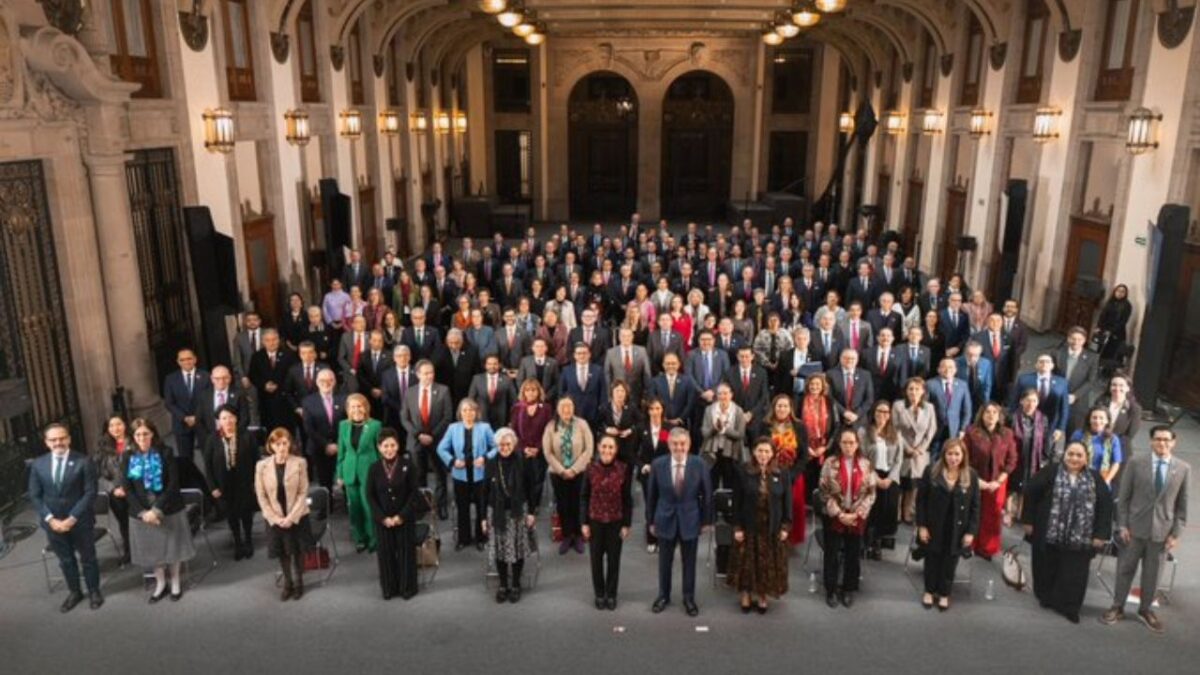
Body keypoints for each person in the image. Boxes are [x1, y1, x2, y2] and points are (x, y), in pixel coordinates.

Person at [1101, 426, 1190, 633]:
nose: (1162, 443)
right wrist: (1122, 524)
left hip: (1162, 533)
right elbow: (1123, 498)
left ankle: (1145, 609)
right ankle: (1117, 606)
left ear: (1173, 442)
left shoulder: (1183, 468)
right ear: (1151, 441)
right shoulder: (1135, 463)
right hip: (1132, 530)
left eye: (1167, 440)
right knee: (1125, 570)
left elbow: (1182, 506)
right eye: (1158, 439)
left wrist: (1176, 533)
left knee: (1153, 574)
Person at [1022, 441, 1113, 623]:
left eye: (1079, 455)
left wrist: (1100, 535)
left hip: (1080, 538)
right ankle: (1046, 598)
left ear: (1086, 458)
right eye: (1070, 454)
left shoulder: (1095, 478)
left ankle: (1070, 607)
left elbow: (1105, 507)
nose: (1074, 458)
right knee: (1046, 567)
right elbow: (1031, 494)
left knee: (1075, 574)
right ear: (1064, 455)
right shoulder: (1050, 472)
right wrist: (1028, 521)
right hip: (1049, 532)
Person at [29, 422, 103, 612]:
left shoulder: (84, 461)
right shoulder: (38, 464)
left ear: (69, 439)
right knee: (66, 560)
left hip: (80, 521)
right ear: (47, 442)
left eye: (62, 438)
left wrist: (72, 518)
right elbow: (35, 495)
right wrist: (51, 520)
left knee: (88, 558)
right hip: (53, 525)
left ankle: (94, 591)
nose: (58, 442)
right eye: (53, 440)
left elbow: (90, 493)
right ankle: (75, 592)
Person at [122, 418, 195, 603]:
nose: (142, 437)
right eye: (138, 434)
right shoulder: (128, 456)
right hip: (141, 514)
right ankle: (161, 583)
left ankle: (176, 581)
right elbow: (127, 488)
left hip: (168, 508)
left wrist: (156, 510)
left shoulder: (166, 452)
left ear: (152, 434)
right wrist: (144, 513)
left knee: (173, 548)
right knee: (152, 551)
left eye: (145, 433)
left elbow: (173, 484)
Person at [648, 427, 713, 617]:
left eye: (683, 444)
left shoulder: (699, 464)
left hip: (691, 518)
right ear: (669, 445)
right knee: (664, 562)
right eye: (675, 444)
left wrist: (706, 520)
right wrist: (650, 521)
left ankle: (688, 598)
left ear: (689, 444)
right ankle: (663, 596)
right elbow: (651, 495)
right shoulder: (658, 464)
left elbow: (707, 494)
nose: (679, 447)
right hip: (664, 517)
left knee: (689, 562)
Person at [727, 438, 792, 614]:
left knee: (767, 563)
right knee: (747, 562)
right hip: (749, 525)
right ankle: (746, 594)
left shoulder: (782, 473)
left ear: (773, 454)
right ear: (754, 452)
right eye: (760, 451)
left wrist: (786, 527)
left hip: (772, 527)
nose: (763, 455)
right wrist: (737, 527)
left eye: (767, 451)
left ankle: (763, 595)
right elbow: (737, 502)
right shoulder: (743, 470)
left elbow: (787, 503)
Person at [915, 438, 980, 611]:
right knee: (932, 560)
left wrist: (971, 532)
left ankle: (944, 593)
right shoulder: (931, 471)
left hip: (958, 529)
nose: (953, 458)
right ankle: (929, 591)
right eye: (950, 453)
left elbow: (975, 507)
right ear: (944, 454)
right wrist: (921, 526)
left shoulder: (971, 475)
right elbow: (920, 501)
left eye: (957, 454)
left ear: (963, 455)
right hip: (933, 526)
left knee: (950, 563)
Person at [819, 427, 877, 609]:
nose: (848, 446)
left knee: (853, 555)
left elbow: (871, 494)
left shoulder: (866, 464)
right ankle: (830, 589)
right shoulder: (830, 463)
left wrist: (857, 514)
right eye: (844, 442)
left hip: (857, 517)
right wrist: (840, 514)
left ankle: (848, 589)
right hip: (835, 515)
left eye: (852, 442)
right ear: (839, 444)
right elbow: (823, 492)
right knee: (832, 554)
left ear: (857, 444)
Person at [366, 427, 426, 600]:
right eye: (385, 446)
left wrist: (401, 516)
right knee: (385, 554)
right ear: (379, 447)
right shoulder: (374, 468)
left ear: (398, 446)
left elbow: (414, 493)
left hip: (404, 518)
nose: (389, 449)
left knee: (406, 553)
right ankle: (389, 588)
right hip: (383, 520)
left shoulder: (408, 465)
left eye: (392, 445)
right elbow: (370, 496)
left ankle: (407, 587)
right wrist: (382, 518)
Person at [255, 428, 314, 601]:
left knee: (297, 551)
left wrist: (290, 518)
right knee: (283, 552)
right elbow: (261, 495)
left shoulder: (300, 463)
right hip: (275, 517)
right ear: (271, 445)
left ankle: (299, 582)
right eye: (278, 444)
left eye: (285, 443)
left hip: (297, 516)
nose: (282, 447)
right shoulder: (261, 466)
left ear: (290, 444)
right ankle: (288, 583)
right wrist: (275, 518)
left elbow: (303, 493)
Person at [482, 427, 540, 603]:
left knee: (517, 549)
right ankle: (503, 585)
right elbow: (484, 492)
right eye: (501, 444)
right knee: (499, 550)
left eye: (508, 444)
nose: (504, 447)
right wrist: (484, 518)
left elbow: (532, 488)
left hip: (518, 512)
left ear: (514, 444)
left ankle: (515, 584)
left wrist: (531, 512)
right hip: (496, 512)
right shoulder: (491, 463)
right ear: (497, 445)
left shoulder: (523, 461)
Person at [437, 398, 498, 551]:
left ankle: (481, 537)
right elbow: (441, 449)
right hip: (460, 475)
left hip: (480, 474)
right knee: (462, 508)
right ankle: (463, 538)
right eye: (465, 410)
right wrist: (452, 461)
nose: (468, 413)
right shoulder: (453, 428)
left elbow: (498, 447)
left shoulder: (485, 427)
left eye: (471, 410)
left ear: (476, 412)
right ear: (460, 413)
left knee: (481, 507)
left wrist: (485, 458)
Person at [581, 435, 633, 610]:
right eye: (604, 446)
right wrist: (584, 523)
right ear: (598, 447)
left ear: (616, 450)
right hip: (595, 521)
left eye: (611, 447)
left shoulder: (623, 469)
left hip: (615, 522)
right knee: (596, 561)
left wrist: (627, 524)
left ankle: (611, 594)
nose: (607, 450)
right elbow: (584, 497)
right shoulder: (590, 469)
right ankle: (599, 594)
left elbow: (627, 498)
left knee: (613, 561)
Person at [203, 405, 259, 560]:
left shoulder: (247, 436)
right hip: (224, 484)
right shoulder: (212, 439)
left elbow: (256, 461)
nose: (227, 421)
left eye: (230, 417)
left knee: (246, 512)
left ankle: (248, 539)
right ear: (219, 421)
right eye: (223, 418)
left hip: (245, 482)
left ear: (236, 418)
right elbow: (207, 465)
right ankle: (237, 542)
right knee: (232, 515)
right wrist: (212, 487)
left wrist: (256, 482)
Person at [401, 360, 454, 520]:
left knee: (440, 475)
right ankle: (422, 506)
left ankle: (441, 506)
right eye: (425, 373)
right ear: (417, 374)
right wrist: (418, 435)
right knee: (418, 475)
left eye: (431, 373)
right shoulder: (410, 392)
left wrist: (432, 435)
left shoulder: (443, 390)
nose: (428, 376)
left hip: (437, 440)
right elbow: (404, 417)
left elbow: (447, 417)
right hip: (416, 441)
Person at [964, 402, 1017, 559]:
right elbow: (965, 457)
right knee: (972, 512)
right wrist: (977, 480)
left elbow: (1012, 459)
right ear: (982, 414)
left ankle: (987, 548)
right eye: (988, 412)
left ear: (999, 415)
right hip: (975, 479)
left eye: (995, 412)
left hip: (997, 481)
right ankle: (969, 544)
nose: (991, 415)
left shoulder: (1007, 433)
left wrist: (999, 481)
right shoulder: (972, 432)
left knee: (992, 515)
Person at [543, 397, 594, 554]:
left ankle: (578, 536)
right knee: (563, 505)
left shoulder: (582, 424)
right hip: (558, 473)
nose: (567, 409)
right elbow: (547, 451)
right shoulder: (551, 426)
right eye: (563, 406)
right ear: (558, 409)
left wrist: (574, 469)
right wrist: (562, 470)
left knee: (578, 503)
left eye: (569, 406)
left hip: (579, 472)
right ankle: (566, 536)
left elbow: (589, 449)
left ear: (574, 408)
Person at [757, 394, 810, 544]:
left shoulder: (799, 426)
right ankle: (771, 534)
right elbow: (759, 449)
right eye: (779, 406)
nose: (782, 409)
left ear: (790, 408)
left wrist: (792, 474)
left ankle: (791, 538)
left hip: (793, 472)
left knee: (794, 503)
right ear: (774, 408)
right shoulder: (764, 425)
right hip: (770, 471)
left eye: (785, 406)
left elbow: (804, 455)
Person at [337, 393, 381, 553]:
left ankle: (373, 538)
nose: (357, 409)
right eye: (353, 406)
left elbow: (380, 450)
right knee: (354, 508)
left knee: (369, 506)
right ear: (348, 409)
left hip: (369, 470)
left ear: (366, 407)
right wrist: (339, 474)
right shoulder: (343, 426)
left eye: (360, 406)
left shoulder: (375, 425)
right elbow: (341, 452)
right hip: (349, 471)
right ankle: (359, 538)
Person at [894, 377, 937, 524]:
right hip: (902, 451)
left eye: (917, 389)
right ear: (906, 391)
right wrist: (908, 448)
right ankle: (897, 514)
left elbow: (932, 430)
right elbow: (895, 430)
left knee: (914, 486)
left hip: (920, 453)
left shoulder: (929, 407)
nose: (913, 392)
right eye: (910, 389)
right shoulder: (898, 406)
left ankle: (908, 514)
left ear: (923, 391)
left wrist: (920, 449)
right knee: (900, 484)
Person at [863, 400, 902, 559]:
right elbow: (863, 458)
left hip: (890, 476)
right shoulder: (864, 432)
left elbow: (899, 460)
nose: (882, 415)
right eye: (879, 411)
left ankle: (878, 543)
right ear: (873, 412)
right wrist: (875, 478)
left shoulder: (896, 434)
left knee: (886, 511)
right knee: (871, 510)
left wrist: (890, 478)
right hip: (871, 474)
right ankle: (866, 542)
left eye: (886, 412)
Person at [1010, 388, 1053, 524]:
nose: (1031, 404)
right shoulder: (1012, 417)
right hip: (1016, 455)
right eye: (1028, 400)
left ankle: (1021, 513)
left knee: (1027, 485)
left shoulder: (1043, 419)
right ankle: (1009, 512)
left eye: (1034, 401)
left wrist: (1045, 458)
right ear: (1021, 401)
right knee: (1013, 485)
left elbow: (1047, 439)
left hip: (1033, 457)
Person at [94, 415, 132, 565]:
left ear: (125, 425)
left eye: (119, 424)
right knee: (124, 522)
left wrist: (128, 488)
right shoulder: (103, 447)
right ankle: (129, 551)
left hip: (135, 490)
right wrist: (113, 489)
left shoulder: (135, 441)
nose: (116, 429)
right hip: (115, 493)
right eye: (111, 426)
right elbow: (99, 474)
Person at [636, 398, 673, 553]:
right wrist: (642, 465)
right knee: (650, 505)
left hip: (665, 473)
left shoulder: (669, 428)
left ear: (662, 410)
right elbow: (633, 453)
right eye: (652, 409)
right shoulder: (641, 428)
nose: (655, 412)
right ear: (648, 411)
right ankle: (651, 538)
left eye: (658, 408)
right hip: (647, 474)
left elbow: (674, 451)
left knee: (664, 505)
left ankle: (664, 536)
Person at [700, 382, 746, 490]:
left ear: (731, 395)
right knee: (711, 484)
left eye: (725, 393)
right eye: (720, 394)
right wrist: (714, 429)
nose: (722, 396)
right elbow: (704, 433)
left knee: (729, 484)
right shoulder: (709, 409)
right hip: (712, 452)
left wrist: (725, 430)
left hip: (731, 453)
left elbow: (740, 434)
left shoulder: (738, 411)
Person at [1070, 407, 1122, 486]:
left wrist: (1107, 480)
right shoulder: (1078, 435)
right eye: (1094, 418)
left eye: (1101, 418)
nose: (1097, 421)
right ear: (1089, 420)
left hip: (1102, 479)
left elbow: (1116, 463)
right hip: (1079, 479)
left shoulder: (1113, 439)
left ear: (1107, 421)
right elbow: (1070, 457)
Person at [1096, 284, 1132, 361]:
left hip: (1117, 333)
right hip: (1104, 331)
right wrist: (1099, 327)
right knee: (1100, 352)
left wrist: (1111, 331)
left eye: (1123, 292)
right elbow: (1102, 316)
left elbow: (1123, 321)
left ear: (1125, 294)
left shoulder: (1127, 305)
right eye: (1118, 291)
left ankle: (1107, 372)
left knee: (1111, 355)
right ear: (1115, 291)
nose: (1120, 293)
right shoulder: (1110, 302)